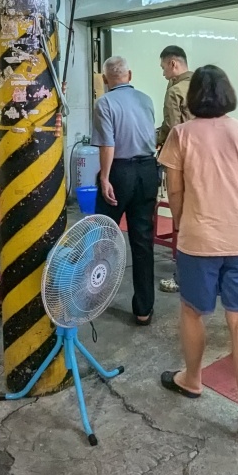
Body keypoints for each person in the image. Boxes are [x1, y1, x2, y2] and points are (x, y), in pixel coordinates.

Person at [157, 65, 238, 441]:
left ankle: (192, 379)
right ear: (227, 95)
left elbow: (174, 191)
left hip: (198, 241)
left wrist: (180, 222)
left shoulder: (180, 134)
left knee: (192, 311)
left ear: (192, 98)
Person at [92, 55, 159, 325]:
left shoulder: (104, 102)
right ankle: (143, 310)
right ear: (129, 75)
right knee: (143, 241)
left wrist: (105, 178)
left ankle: (91, 295)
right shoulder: (146, 100)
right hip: (147, 171)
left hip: (120, 172)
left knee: (102, 235)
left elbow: (108, 144)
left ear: (106, 79)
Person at [157, 46, 194, 294]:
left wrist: (157, 141)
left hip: (181, 162)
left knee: (181, 220)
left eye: (163, 68)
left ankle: (182, 278)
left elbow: (172, 127)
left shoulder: (175, 90)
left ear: (172, 64)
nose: (163, 74)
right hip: (204, 162)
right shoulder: (201, 86)